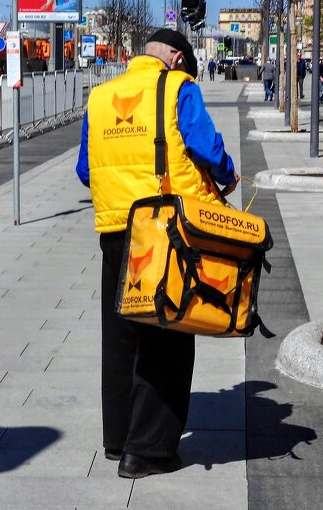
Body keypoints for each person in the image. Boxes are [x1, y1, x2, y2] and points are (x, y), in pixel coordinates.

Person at [76, 28, 240, 479]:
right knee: (167, 334)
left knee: (121, 334)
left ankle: (118, 439)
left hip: (114, 229)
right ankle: (147, 451)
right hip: (164, 228)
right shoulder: (176, 88)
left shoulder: (101, 95)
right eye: (185, 61)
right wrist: (227, 173)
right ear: (174, 55)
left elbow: (85, 170)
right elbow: (206, 148)